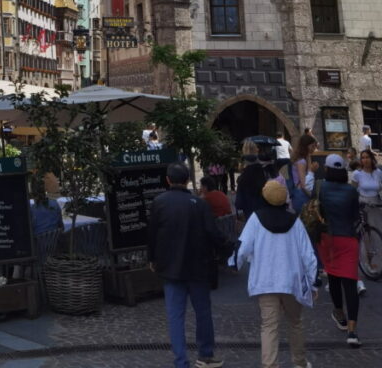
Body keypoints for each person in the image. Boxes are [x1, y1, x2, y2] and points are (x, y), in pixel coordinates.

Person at [147, 162, 224, 368]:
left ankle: (181, 361)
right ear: (188, 180)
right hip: (198, 266)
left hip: (171, 267)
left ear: (168, 180)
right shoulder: (199, 204)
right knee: (203, 312)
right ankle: (205, 354)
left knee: (175, 316)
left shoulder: (159, 202)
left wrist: (152, 258)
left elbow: (152, 235)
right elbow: (213, 233)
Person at [233, 179, 316, 368]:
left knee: (269, 326)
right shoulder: (295, 221)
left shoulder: (255, 219)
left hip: (265, 281)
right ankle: (300, 363)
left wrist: (234, 264)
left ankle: (270, 365)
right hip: (292, 281)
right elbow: (307, 253)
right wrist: (313, 281)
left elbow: (242, 247)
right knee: (295, 323)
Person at [318, 153, 361, 347]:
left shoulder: (322, 188)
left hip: (329, 238)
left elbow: (319, 212)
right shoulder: (351, 191)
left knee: (334, 277)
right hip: (348, 239)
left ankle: (339, 314)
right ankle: (352, 332)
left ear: (327, 169)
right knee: (350, 284)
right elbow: (355, 216)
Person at [351, 149, 382, 230]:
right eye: (363, 158)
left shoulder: (378, 172)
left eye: (367, 157)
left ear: (372, 158)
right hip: (363, 204)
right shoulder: (357, 174)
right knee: (366, 229)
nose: (365, 160)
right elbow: (353, 192)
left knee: (377, 227)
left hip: (376, 203)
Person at [290, 134, 317, 214]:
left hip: (298, 192)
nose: (314, 149)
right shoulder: (302, 162)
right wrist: (313, 197)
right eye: (312, 146)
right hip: (300, 194)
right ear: (306, 146)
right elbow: (304, 185)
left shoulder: (303, 159)